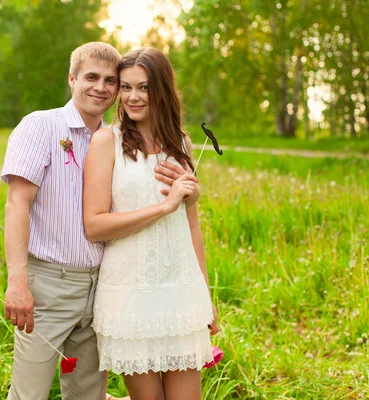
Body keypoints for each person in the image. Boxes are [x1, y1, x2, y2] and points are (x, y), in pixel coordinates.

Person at [0, 42, 198, 400]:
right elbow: (17, 204)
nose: (101, 87)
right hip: (50, 283)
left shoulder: (113, 137)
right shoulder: (41, 126)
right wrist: (18, 282)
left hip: (103, 283)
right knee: (29, 393)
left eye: (111, 80)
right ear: (72, 78)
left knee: (88, 393)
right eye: (91, 77)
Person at [83, 47, 219, 400]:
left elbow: (192, 227)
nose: (132, 96)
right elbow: (95, 225)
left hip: (180, 291)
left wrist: (205, 295)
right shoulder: (106, 141)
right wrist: (164, 207)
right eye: (125, 87)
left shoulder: (183, 144)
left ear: (162, 89)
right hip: (130, 294)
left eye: (142, 87)